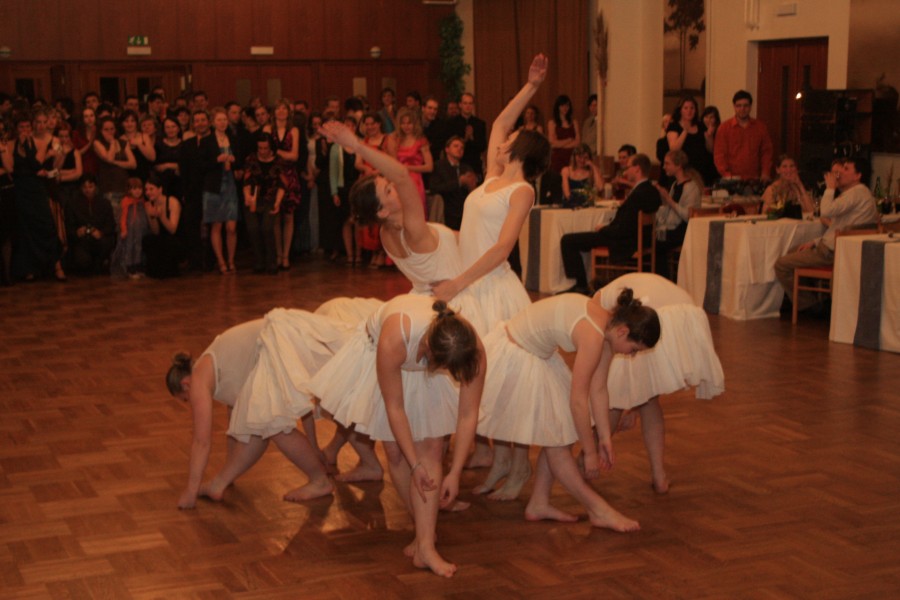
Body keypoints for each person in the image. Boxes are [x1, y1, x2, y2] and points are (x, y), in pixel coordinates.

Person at [432, 53, 550, 482]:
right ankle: (496, 459)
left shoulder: (522, 190)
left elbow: (502, 249)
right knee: (477, 378)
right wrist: (531, 86)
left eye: (511, 138)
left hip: (490, 288)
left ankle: (516, 465)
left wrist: (456, 283)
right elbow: (501, 120)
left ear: (520, 149)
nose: (501, 138)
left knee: (503, 382)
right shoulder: (491, 178)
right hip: (468, 286)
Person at [310, 296, 485, 578]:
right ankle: (422, 531)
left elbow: (468, 414)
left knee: (432, 448)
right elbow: (395, 407)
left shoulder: (470, 348)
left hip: (419, 354)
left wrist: (455, 472)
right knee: (396, 453)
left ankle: (425, 545)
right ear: (429, 353)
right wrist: (414, 465)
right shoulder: (394, 340)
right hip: (377, 355)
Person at [479, 290, 658, 530]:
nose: (632, 355)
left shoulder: (607, 327)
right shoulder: (594, 335)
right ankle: (599, 510)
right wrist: (590, 452)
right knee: (558, 440)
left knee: (559, 431)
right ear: (623, 332)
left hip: (538, 354)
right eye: (634, 349)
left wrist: (605, 437)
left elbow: (599, 389)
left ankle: (539, 502)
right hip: (517, 354)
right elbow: (578, 401)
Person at [165, 315, 333, 510]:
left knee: (274, 424)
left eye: (186, 399)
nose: (191, 402)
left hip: (282, 341)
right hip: (283, 338)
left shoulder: (199, 379)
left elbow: (201, 442)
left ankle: (319, 480)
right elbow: (237, 427)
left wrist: (190, 491)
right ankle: (219, 483)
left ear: (186, 385)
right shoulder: (213, 370)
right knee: (258, 423)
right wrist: (228, 475)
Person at [593, 273, 724, 494]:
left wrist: (628, 404)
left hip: (656, 318)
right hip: (685, 312)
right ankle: (659, 475)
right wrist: (633, 405)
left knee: (614, 395)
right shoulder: (621, 290)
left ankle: (587, 458)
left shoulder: (598, 304)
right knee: (649, 398)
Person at [774, 156, 879, 314]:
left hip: (831, 252)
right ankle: (812, 301)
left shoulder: (856, 193)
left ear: (858, 175)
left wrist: (830, 188)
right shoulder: (859, 193)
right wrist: (816, 241)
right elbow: (840, 228)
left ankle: (808, 305)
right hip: (835, 247)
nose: (840, 173)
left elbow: (826, 211)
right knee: (793, 251)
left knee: (781, 264)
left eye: (846, 169)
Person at [560, 153, 662, 294]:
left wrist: (604, 229)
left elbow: (623, 229)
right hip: (641, 239)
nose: (625, 171)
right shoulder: (651, 190)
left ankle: (581, 285)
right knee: (579, 239)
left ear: (637, 169)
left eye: (628, 167)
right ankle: (584, 283)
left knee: (568, 240)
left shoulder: (638, 194)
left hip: (623, 241)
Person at [3, 113, 65, 281]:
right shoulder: (10, 144)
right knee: (26, 229)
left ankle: (57, 266)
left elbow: (37, 164)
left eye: (27, 127)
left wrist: (29, 147)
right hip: (20, 190)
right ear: (16, 129)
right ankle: (29, 268)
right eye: (21, 127)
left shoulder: (38, 143)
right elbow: (10, 167)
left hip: (37, 189)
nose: (25, 130)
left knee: (46, 225)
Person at [653, 149, 703, 279]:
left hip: (684, 229)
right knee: (651, 240)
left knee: (657, 244)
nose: (664, 167)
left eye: (667, 163)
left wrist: (668, 199)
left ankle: (663, 279)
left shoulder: (691, 187)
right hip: (673, 227)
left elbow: (688, 215)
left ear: (678, 165)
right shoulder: (675, 185)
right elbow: (668, 210)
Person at [242, 133, 285, 274]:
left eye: (265, 148)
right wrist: (247, 197)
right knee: (253, 228)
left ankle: (271, 262)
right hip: (253, 198)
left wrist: (277, 202)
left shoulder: (278, 161)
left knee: (267, 228)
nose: (262, 151)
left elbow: (282, 184)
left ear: (271, 148)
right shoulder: (251, 160)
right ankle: (258, 262)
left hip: (270, 199)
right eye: (260, 148)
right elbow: (246, 181)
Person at [203, 107, 239, 274]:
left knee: (231, 226)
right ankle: (221, 261)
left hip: (230, 184)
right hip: (214, 186)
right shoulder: (207, 141)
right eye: (219, 120)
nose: (222, 123)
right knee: (216, 225)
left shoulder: (233, 138)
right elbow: (202, 165)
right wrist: (216, 160)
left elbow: (240, 160)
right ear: (213, 122)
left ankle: (231, 260)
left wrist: (234, 160)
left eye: (224, 119)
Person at [713, 90, 774, 181]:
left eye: (746, 105)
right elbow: (719, 155)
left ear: (750, 107)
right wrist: (727, 175)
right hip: (731, 179)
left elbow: (766, 152)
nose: (742, 109)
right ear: (734, 106)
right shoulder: (724, 128)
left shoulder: (760, 127)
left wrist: (765, 173)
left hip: (756, 178)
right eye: (739, 106)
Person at [65, 175, 116, 273]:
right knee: (82, 263)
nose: (87, 190)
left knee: (105, 245)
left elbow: (111, 225)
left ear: (95, 187)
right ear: (80, 188)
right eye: (84, 187)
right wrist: (77, 232)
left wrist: (100, 233)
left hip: (100, 239)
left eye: (90, 186)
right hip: (82, 241)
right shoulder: (72, 204)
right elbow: (69, 226)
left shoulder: (104, 203)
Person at [391, 107, 433, 217]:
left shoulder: (421, 141)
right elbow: (393, 162)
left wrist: (408, 168)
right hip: (399, 180)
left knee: (415, 213)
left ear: (415, 124)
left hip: (415, 182)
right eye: (403, 123)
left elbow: (429, 167)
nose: (406, 126)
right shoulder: (397, 140)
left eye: (409, 123)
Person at [429, 136, 477, 231]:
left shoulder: (466, 168)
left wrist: (471, 185)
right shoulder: (438, 166)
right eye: (456, 146)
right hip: (446, 211)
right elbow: (434, 188)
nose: (459, 149)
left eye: (462, 148)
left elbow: (473, 191)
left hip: (464, 212)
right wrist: (459, 182)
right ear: (447, 149)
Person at [143, 173, 183, 278]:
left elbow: (173, 230)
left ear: (160, 189)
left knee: (169, 242)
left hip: (175, 237)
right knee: (148, 240)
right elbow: (156, 231)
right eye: (146, 190)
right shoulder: (149, 205)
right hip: (161, 236)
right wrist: (152, 217)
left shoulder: (172, 201)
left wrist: (162, 216)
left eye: (151, 189)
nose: (148, 192)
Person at [109, 177, 149, 278]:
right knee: (129, 247)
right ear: (129, 190)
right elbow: (123, 217)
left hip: (139, 230)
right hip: (129, 230)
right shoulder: (126, 201)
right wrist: (123, 229)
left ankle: (137, 266)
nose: (137, 191)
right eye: (134, 188)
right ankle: (129, 268)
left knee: (139, 246)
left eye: (139, 188)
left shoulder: (142, 201)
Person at [447, 92, 487, 179]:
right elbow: (449, 144)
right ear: (460, 105)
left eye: (470, 103)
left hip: (474, 163)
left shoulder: (480, 124)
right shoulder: (451, 123)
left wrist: (472, 137)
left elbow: (483, 146)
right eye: (465, 103)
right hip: (458, 163)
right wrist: (465, 138)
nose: (468, 106)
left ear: (473, 105)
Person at [547, 94, 580, 174]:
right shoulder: (552, 123)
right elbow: (553, 143)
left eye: (567, 105)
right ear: (558, 107)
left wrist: (560, 144)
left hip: (572, 157)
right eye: (562, 105)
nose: (565, 108)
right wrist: (569, 140)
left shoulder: (574, 122)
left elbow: (577, 142)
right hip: (558, 158)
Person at [698, 105, 721, 186]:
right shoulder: (698, 130)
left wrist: (709, 135)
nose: (708, 120)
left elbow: (711, 150)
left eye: (711, 117)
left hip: (714, 166)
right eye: (706, 117)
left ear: (716, 119)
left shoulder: (720, 131)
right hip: (701, 165)